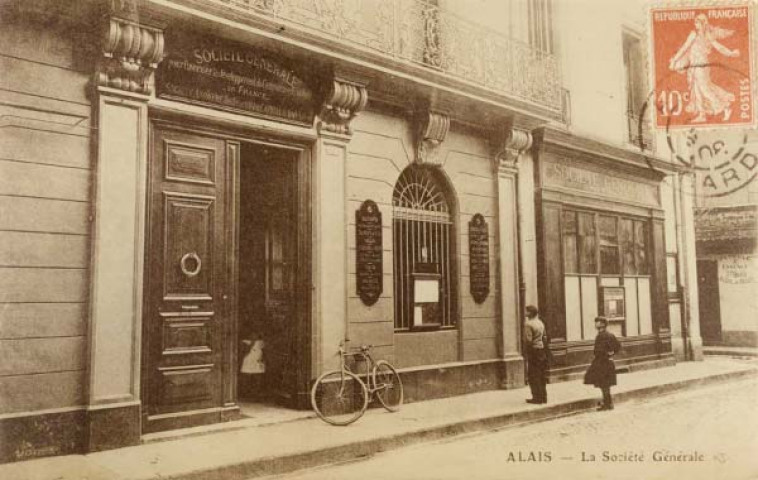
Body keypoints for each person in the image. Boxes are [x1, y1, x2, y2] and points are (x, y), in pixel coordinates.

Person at [668, 13, 740, 123]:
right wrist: (674, 60)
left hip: (702, 65)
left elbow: (719, 47)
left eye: (698, 23)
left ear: (703, 24)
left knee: (704, 89)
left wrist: (730, 53)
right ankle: (702, 115)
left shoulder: (708, 36)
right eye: (695, 23)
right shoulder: (693, 34)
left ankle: (724, 107)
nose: (696, 25)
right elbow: (684, 48)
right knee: (697, 90)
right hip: (694, 66)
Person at [583, 316, 621, 411]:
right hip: (605, 362)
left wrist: (608, 354)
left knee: (604, 385)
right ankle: (608, 403)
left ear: (603, 324)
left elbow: (615, 347)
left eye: (598, 322)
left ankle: (607, 404)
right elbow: (617, 347)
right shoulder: (608, 335)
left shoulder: (603, 335)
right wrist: (611, 353)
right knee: (604, 385)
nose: (596, 324)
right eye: (596, 322)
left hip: (603, 363)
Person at [523, 305, 548, 404]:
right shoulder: (540, 323)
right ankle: (543, 397)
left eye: (526, 311)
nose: (525, 313)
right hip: (541, 350)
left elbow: (528, 340)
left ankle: (536, 398)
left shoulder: (528, 324)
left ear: (530, 313)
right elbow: (545, 337)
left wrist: (526, 352)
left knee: (533, 375)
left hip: (533, 351)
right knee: (541, 374)